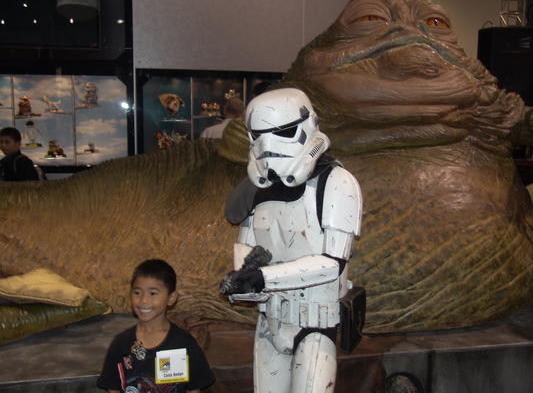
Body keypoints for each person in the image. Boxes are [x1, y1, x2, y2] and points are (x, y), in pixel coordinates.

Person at [220, 88, 364, 393]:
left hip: (315, 324)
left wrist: (261, 278)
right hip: (270, 322)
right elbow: (248, 250)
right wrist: (243, 282)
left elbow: (332, 264)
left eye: (282, 132)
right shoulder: (256, 190)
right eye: (258, 136)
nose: (268, 146)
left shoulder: (337, 183)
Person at [97, 259, 215, 393]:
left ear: (171, 298)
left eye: (152, 293)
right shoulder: (121, 343)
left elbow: (194, 388)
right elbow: (112, 387)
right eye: (137, 292)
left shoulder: (184, 343)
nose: (143, 300)